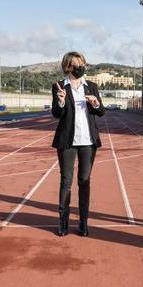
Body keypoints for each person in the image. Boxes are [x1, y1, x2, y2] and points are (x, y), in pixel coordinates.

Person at [51, 51, 105, 237]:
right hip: (67, 141)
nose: (81, 66)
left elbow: (101, 112)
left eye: (82, 63)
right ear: (68, 66)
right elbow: (57, 114)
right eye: (77, 63)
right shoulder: (59, 86)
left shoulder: (91, 86)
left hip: (88, 142)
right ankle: (63, 223)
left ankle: (83, 223)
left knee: (84, 181)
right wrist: (60, 101)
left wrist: (96, 103)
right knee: (66, 182)